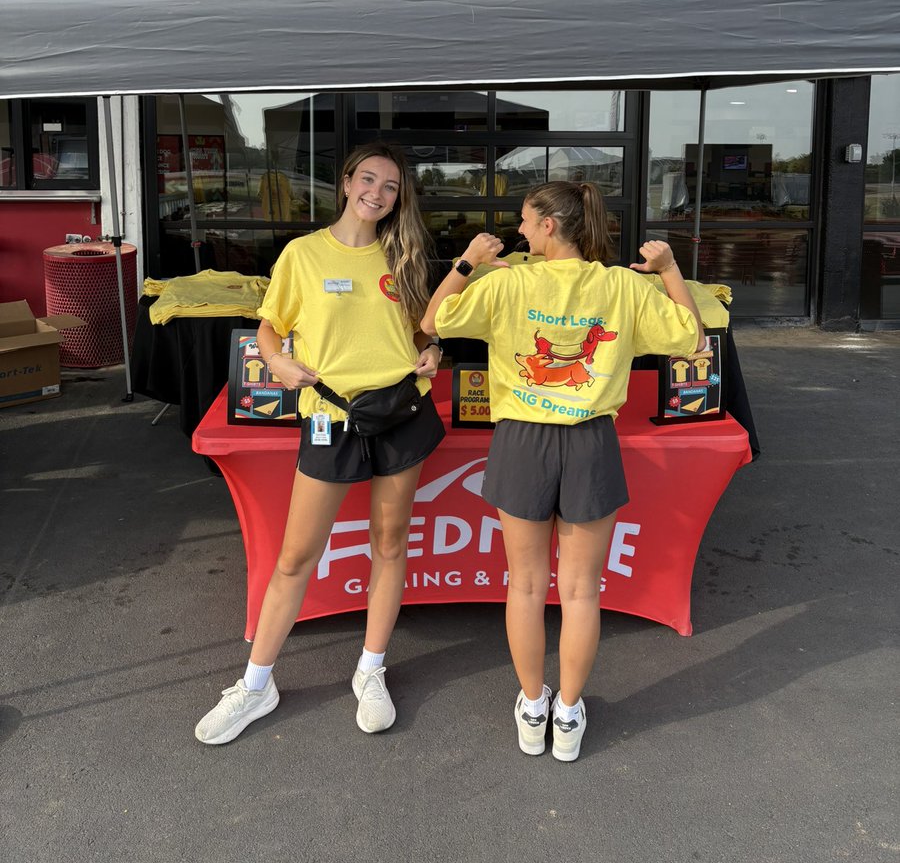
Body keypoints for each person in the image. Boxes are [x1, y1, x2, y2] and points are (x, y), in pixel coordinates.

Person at [421, 181, 706, 763]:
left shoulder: (506, 282)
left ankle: (533, 708)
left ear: (549, 225)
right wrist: (670, 268)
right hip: (590, 443)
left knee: (524, 586)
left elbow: (434, 320)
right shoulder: (623, 285)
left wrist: (468, 261)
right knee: (580, 591)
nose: (520, 231)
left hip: (521, 442)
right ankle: (568, 714)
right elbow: (693, 338)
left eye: (526, 221)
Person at [195, 143, 445, 746]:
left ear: (398, 196)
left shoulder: (404, 254)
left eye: (390, 185)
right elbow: (270, 326)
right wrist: (277, 361)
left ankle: (371, 669)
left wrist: (432, 349)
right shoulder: (302, 254)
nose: (377, 193)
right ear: (346, 183)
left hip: (399, 412)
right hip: (330, 414)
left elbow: (421, 328)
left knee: (390, 546)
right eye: (368, 179)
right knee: (293, 557)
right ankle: (256, 685)